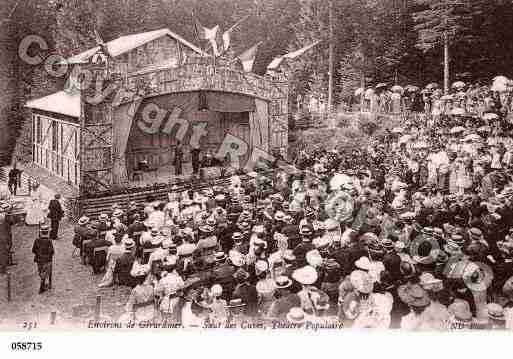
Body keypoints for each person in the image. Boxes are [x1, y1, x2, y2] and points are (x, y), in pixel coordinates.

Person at [31, 224, 54, 293]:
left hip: (39, 259)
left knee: (41, 271)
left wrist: (39, 254)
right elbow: (52, 251)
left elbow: (33, 250)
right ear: (47, 232)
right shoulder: (49, 241)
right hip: (47, 260)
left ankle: (42, 283)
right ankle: (42, 284)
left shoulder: (37, 240)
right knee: (45, 272)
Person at [0, 203, 14, 274]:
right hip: (4, 236)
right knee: (4, 251)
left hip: (4, 235)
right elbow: (12, 222)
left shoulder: (5, 216)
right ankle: (3, 267)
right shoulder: (6, 217)